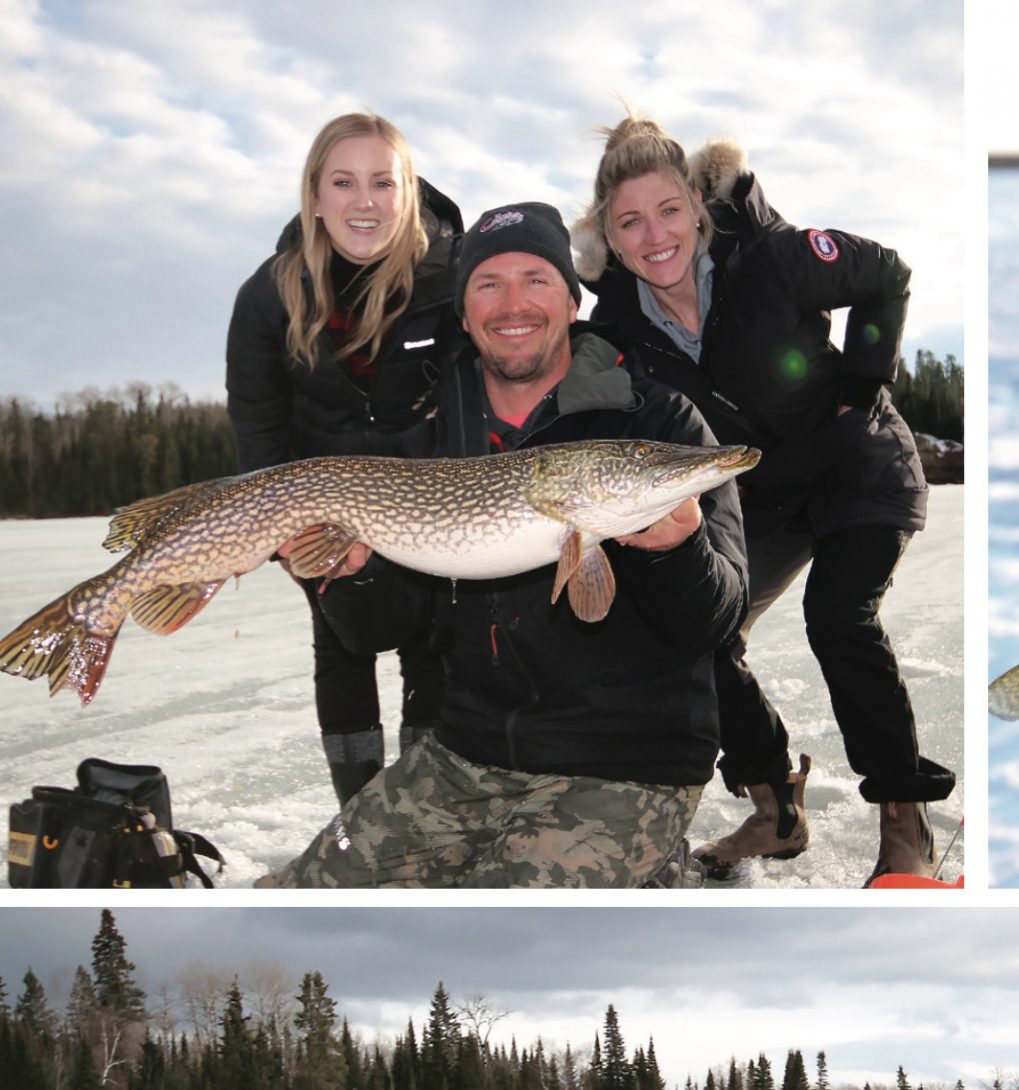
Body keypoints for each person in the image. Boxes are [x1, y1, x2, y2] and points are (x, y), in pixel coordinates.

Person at [264, 201, 748, 889]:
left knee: (501, 915)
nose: (513, 302)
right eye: (488, 284)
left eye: (536, 278)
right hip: (469, 752)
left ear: (570, 301)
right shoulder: (429, 440)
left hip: (632, 761)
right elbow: (382, 630)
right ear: (463, 313)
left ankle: (652, 859)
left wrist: (679, 550)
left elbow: (719, 619)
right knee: (299, 899)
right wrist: (351, 575)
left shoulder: (659, 419)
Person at [574, 118, 951, 885]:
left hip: (859, 468)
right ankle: (776, 805)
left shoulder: (771, 256)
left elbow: (888, 275)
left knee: (839, 616)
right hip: (762, 500)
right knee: (703, 635)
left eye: (669, 211)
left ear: (697, 208)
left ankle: (906, 820)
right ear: (610, 240)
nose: (655, 236)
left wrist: (862, 382)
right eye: (631, 223)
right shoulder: (615, 328)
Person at [225, 112, 462, 804]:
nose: (365, 201)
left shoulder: (451, 276)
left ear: (408, 190)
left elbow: (476, 403)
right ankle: (358, 815)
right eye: (344, 182)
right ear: (316, 194)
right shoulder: (268, 295)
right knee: (341, 647)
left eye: (383, 182)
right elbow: (259, 432)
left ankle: (422, 809)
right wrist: (284, 533)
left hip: (432, 507)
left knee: (435, 647)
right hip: (318, 508)